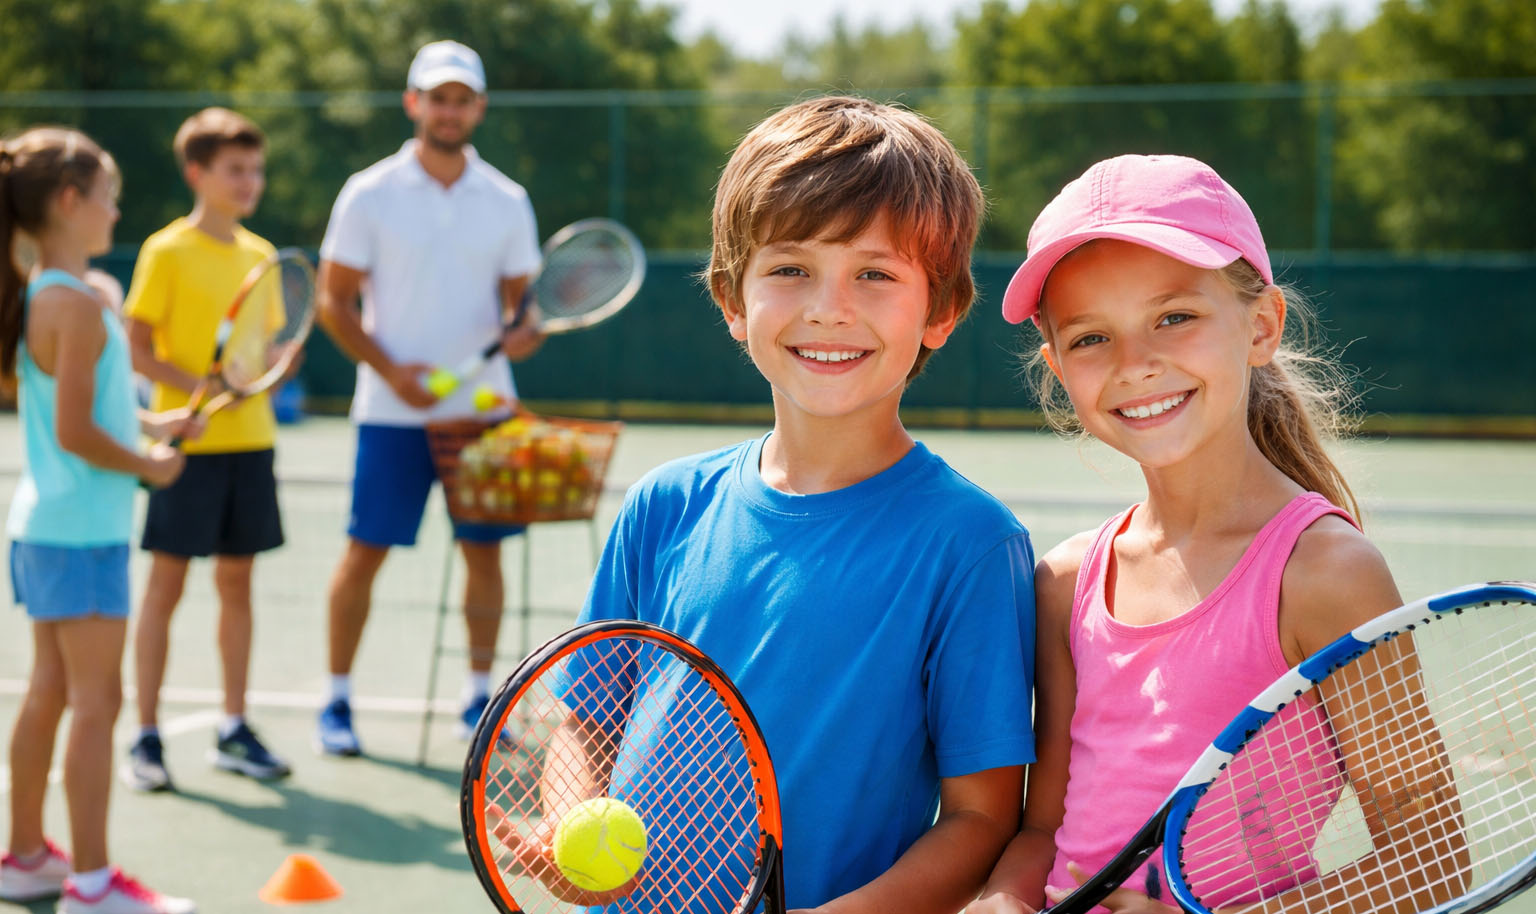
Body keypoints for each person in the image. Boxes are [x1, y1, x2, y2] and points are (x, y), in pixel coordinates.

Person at [526, 96, 1037, 913]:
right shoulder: (663, 506)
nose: (829, 307)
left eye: (875, 274)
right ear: (732, 299)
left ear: (940, 310)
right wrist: (570, 818)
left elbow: (981, 819)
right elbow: (586, 722)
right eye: (791, 269)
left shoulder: (970, 544)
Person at [967, 154, 1403, 914]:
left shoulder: (1326, 574)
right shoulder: (1065, 582)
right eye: (1091, 338)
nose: (1136, 364)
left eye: (1174, 318)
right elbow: (1043, 830)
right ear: (1058, 368)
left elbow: (1428, 854)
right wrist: (1003, 900)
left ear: (1261, 326)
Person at [313, 39, 544, 756]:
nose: (449, 111)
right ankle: (336, 700)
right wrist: (393, 374)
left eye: (461, 99)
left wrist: (526, 331)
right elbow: (332, 303)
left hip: (483, 413)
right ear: (414, 103)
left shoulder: (507, 201)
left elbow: (523, 309)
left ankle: (478, 698)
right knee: (364, 552)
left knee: (484, 558)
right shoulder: (369, 192)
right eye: (437, 98)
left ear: (478, 108)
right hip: (391, 414)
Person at [0, 126, 199, 913]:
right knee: (95, 703)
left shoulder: (53, 294)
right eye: (108, 197)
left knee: (50, 691)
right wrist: (150, 467)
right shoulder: (75, 304)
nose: (117, 212)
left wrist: (154, 425)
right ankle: (89, 885)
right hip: (81, 534)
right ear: (68, 201)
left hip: (48, 528)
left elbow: (87, 407)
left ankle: (23, 858)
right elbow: (78, 432)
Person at [119, 107, 291, 791]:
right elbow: (136, 348)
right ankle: (146, 734)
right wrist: (198, 388)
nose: (249, 182)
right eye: (234, 170)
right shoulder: (165, 251)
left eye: (256, 170)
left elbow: (262, 353)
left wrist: (267, 373)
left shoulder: (261, 256)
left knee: (237, 585)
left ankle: (233, 728)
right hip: (183, 449)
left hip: (251, 443)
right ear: (197, 172)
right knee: (165, 587)